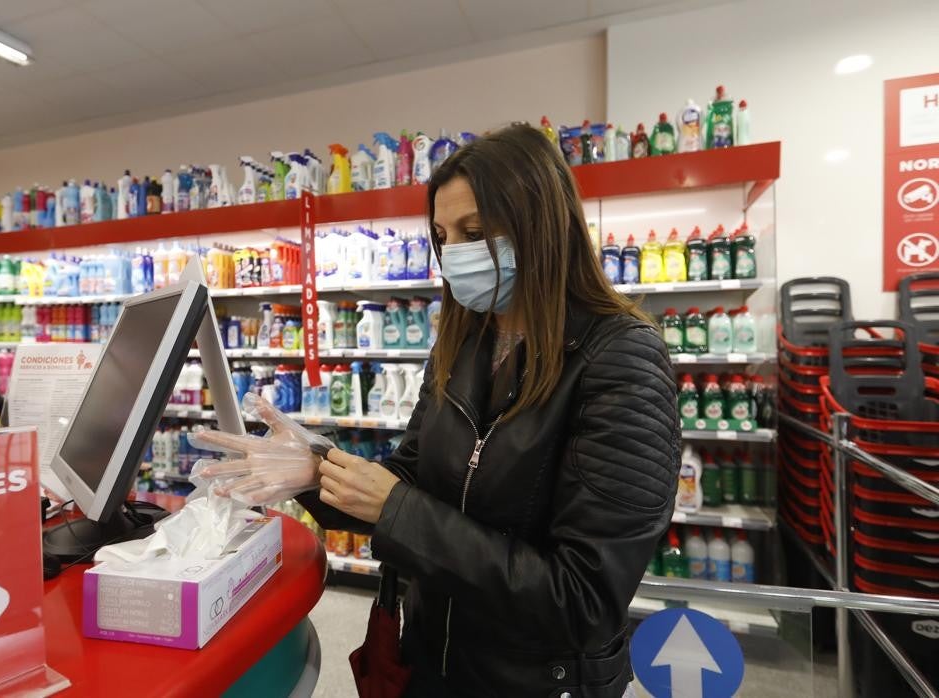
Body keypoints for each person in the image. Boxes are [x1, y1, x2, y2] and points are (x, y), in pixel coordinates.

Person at [197, 124, 680, 697]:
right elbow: (411, 478)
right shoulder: (464, 344)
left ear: (544, 228)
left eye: (475, 233)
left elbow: (583, 600)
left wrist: (397, 509)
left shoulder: (622, 358)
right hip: (431, 663)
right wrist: (315, 468)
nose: (454, 254)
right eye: (442, 236)